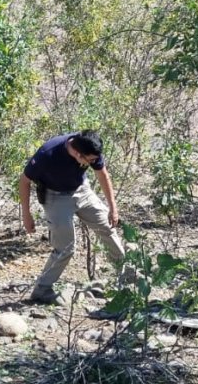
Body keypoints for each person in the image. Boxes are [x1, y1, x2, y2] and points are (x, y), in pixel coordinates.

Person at [19, 129, 127, 305]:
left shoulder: (90, 147)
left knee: (107, 229)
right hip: (55, 197)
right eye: (89, 160)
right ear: (78, 153)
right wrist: (26, 214)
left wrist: (113, 208)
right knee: (66, 247)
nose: (93, 162)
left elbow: (102, 175)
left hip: (82, 191)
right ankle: (42, 290)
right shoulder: (48, 153)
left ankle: (128, 282)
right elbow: (24, 181)